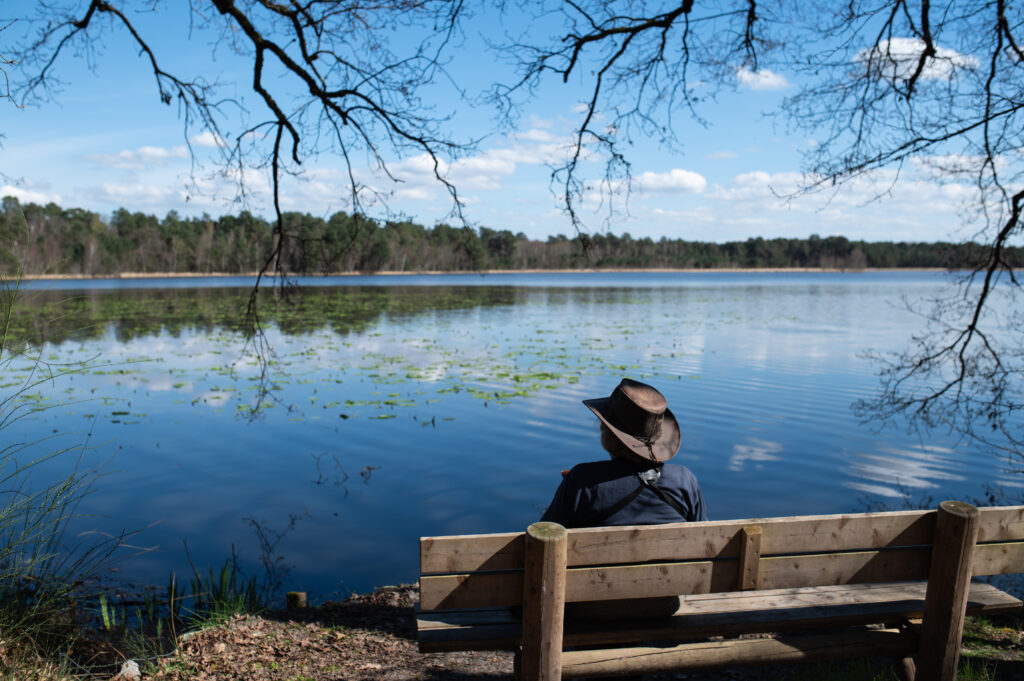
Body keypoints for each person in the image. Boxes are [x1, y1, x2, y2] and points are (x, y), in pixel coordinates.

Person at [540, 377, 707, 621]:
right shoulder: (685, 480)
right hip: (662, 605)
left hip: (588, 608)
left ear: (608, 433)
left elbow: (543, 546)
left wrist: (575, 488)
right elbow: (702, 546)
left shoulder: (582, 479)